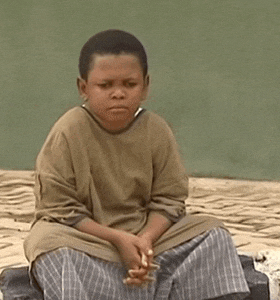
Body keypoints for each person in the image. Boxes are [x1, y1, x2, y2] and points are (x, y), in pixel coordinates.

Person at [23, 29, 250, 300]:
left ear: (145, 86)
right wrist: (118, 240)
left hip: (149, 238)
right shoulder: (68, 131)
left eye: (129, 84)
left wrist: (145, 241)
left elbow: (169, 199)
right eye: (105, 85)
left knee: (213, 234)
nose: (118, 93)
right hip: (89, 241)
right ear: (83, 88)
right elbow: (58, 208)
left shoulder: (156, 130)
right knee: (49, 244)